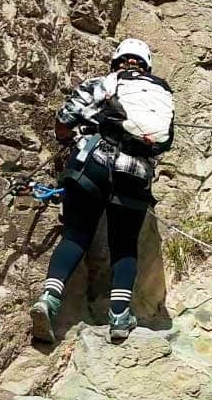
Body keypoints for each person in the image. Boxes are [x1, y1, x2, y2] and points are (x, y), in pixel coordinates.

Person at [30, 38, 175, 344]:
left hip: (92, 164)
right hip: (135, 176)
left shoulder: (101, 83)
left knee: (76, 235)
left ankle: (49, 299)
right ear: (146, 67)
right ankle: (119, 317)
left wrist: (70, 134)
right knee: (124, 246)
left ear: (116, 62)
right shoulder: (159, 94)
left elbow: (64, 122)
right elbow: (162, 141)